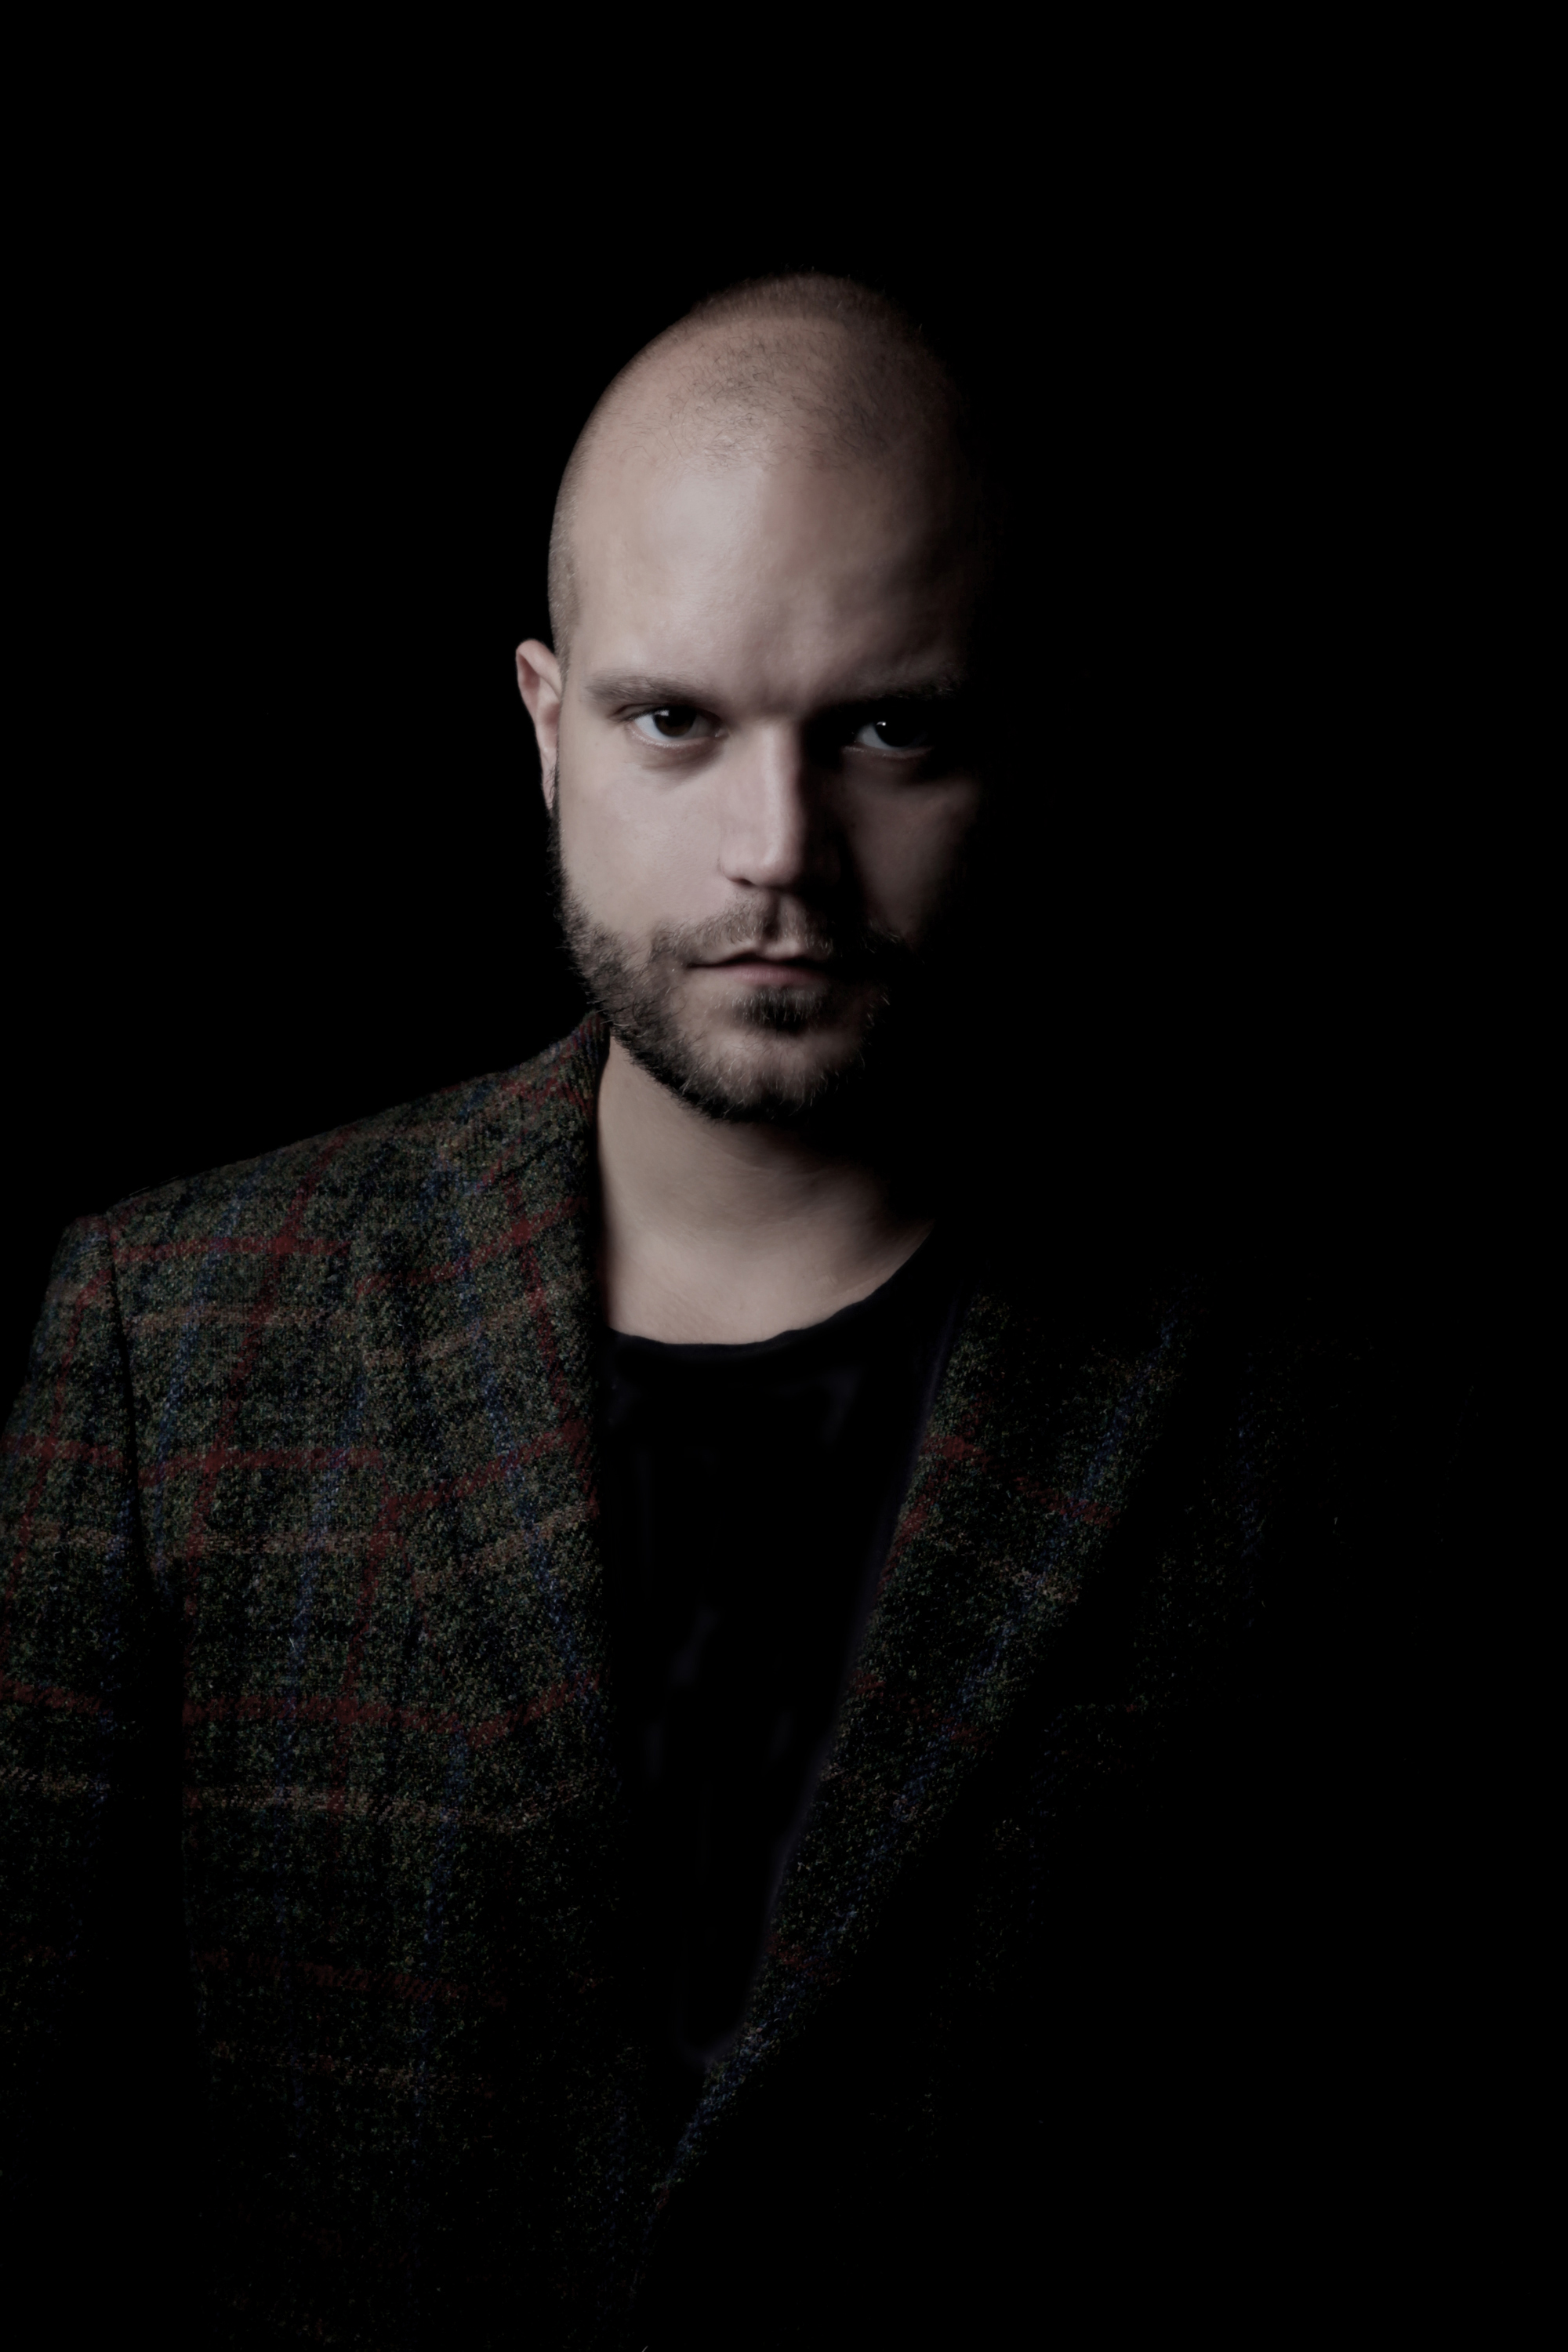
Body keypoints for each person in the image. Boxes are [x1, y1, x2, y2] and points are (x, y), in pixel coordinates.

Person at [0, 273, 1439, 2349]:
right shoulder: (177, 1334)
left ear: (1023, 729)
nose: (782, 853)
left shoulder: (1307, 1397)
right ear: (543, 726)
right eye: (676, 721)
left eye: (887, 728)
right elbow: (43, 2173)